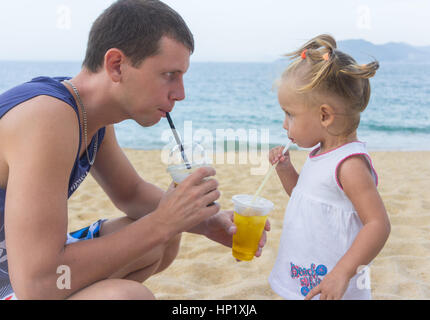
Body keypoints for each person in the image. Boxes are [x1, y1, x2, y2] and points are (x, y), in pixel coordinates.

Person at [0, 0, 269, 300]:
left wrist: (205, 222)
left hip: (18, 264)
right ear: (116, 65)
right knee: (128, 295)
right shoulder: (47, 118)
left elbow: (130, 193)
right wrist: (163, 222)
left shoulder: (87, 115)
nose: (180, 94)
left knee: (161, 241)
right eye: (170, 75)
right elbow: (37, 283)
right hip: (25, 276)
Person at [267, 34, 391, 300]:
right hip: (305, 276)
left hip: (336, 287)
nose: (284, 124)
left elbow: (378, 224)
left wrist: (342, 273)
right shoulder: (319, 153)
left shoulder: (349, 166)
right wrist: (285, 170)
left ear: (324, 115)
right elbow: (304, 198)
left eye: (290, 114)